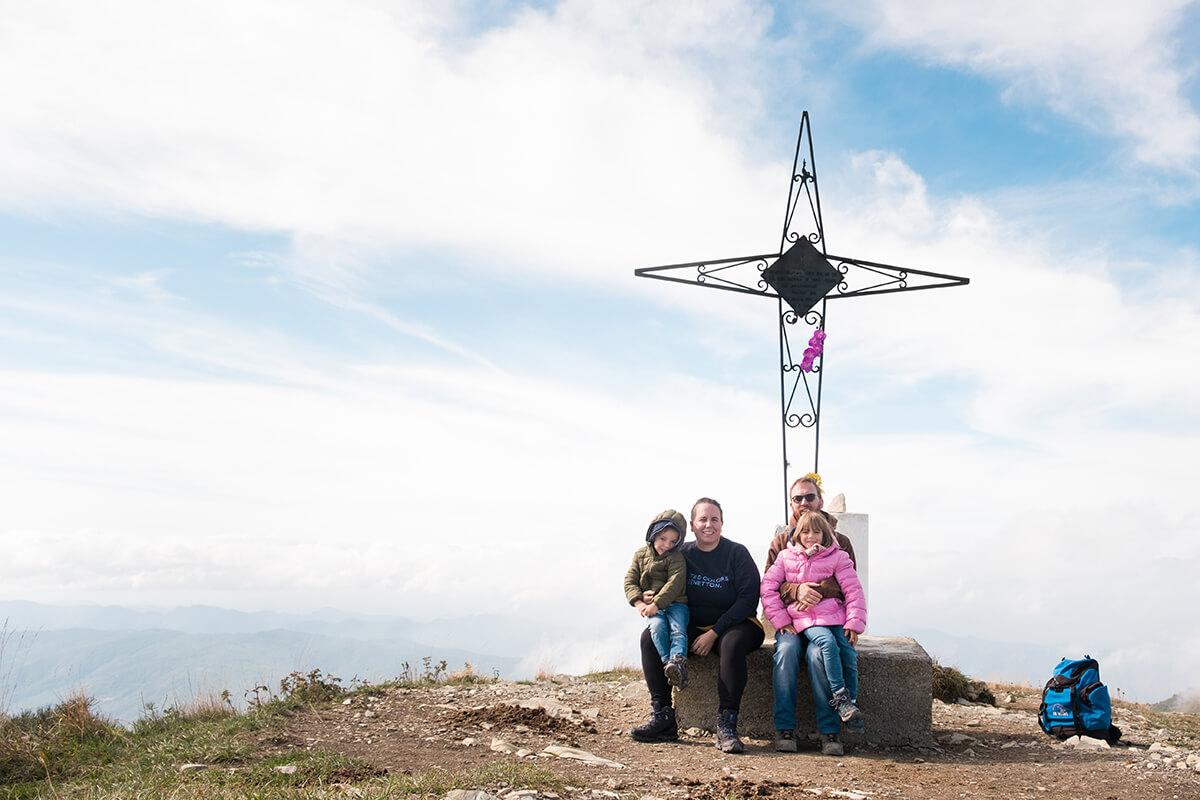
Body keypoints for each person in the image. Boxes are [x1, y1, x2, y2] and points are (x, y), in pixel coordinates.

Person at [631, 497, 764, 752]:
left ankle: (727, 723)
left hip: (737, 623)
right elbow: (655, 579)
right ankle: (663, 717)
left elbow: (748, 600)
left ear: (722, 523)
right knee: (649, 638)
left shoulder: (737, 553)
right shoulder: (681, 554)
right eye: (702, 519)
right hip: (693, 625)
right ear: (692, 525)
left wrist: (714, 633)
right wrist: (645, 596)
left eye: (714, 519)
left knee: (732, 643)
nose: (708, 525)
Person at [764, 473, 858, 756]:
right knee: (787, 654)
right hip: (792, 624)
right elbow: (769, 585)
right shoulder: (781, 543)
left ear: (820, 500)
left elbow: (851, 585)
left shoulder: (841, 542)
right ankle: (784, 728)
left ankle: (830, 732)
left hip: (828, 622)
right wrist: (796, 590)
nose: (804, 503)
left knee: (819, 656)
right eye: (798, 498)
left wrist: (818, 589)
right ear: (791, 504)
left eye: (810, 497)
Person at [624, 509, 691, 689]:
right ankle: (668, 664)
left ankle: (678, 662)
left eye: (672, 541)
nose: (666, 545)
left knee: (678, 630)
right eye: (662, 539)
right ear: (653, 534)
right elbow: (630, 580)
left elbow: (674, 583)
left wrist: (656, 603)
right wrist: (638, 601)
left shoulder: (677, 558)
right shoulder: (640, 555)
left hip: (676, 604)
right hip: (653, 607)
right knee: (656, 627)